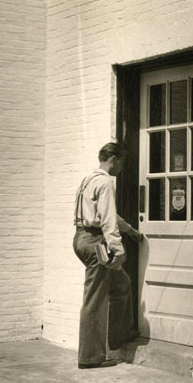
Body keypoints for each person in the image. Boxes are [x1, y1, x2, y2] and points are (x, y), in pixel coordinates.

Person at [72, 142, 142, 369]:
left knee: (121, 284)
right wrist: (119, 250)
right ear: (114, 160)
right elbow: (107, 221)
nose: (121, 169)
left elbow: (108, 214)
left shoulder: (88, 180)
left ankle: (118, 338)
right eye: (121, 164)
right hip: (95, 242)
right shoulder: (105, 182)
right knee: (95, 299)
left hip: (81, 239)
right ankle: (90, 357)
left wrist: (130, 230)